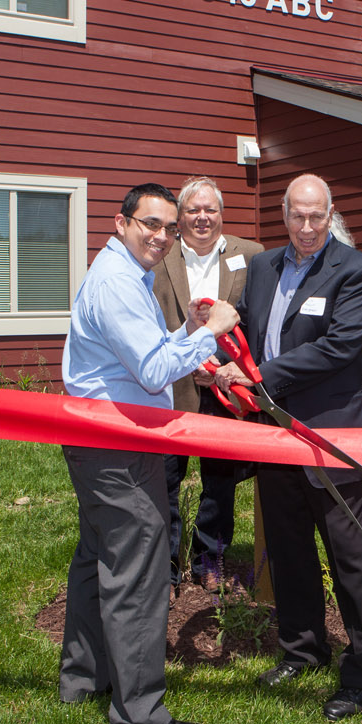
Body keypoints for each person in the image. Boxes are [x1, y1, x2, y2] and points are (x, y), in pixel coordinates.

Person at [58, 182, 240, 724]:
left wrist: (183, 333)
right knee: (139, 565)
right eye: (150, 225)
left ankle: (83, 680)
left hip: (101, 438)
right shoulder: (116, 281)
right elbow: (153, 372)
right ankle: (140, 713)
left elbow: (143, 354)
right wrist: (211, 333)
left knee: (97, 557)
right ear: (121, 223)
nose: (161, 236)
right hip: (116, 445)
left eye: (169, 227)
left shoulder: (123, 275)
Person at [214, 174, 362, 721]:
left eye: (317, 217)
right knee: (287, 549)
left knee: (349, 557)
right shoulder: (261, 268)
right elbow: (246, 329)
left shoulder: (358, 271)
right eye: (297, 216)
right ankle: (303, 649)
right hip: (273, 434)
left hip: (333, 436)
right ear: (283, 215)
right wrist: (225, 365)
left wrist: (258, 376)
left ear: (330, 214)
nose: (307, 228)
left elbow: (340, 347)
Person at [151, 176, 264, 589]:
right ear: (180, 217)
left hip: (226, 387)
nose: (202, 218)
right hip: (169, 388)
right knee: (164, 480)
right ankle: (164, 566)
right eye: (193, 210)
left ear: (221, 214)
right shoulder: (157, 253)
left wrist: (225, 369)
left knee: (220, 482)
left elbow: (256, 319)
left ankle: (209, 563)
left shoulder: (251, 256)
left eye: (210, 210)